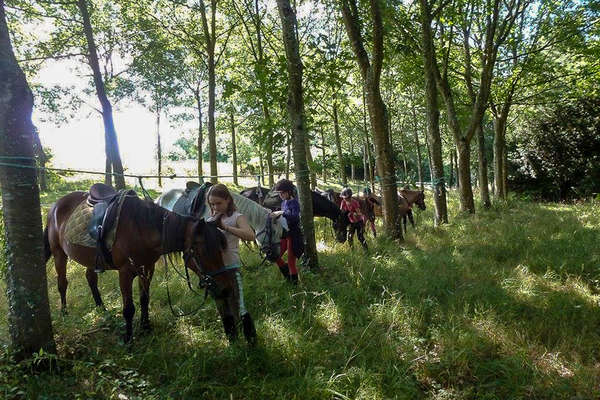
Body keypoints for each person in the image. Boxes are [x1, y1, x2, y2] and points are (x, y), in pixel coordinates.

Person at [207, 184, 255, 320]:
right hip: (215, 270)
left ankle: (247, 336)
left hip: (231, 268)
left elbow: (250, 235)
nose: (215, 207)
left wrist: (225, 227)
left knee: (238, 308)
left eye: (218, 203)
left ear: (228, 199)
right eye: (212, 204)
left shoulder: (237, 217)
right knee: (222, 307)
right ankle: (231, 336)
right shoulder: (210, 220)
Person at [271, 179, 304, 285]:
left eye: (282, 193)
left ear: (289, 192)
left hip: (293, 235)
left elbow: (295, 217)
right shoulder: (283, 203)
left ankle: (294, 284)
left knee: (291, 261)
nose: (280, 195)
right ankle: (287, 276)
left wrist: (282, 213)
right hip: (284, 234)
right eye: (279, 193)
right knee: (276, 255)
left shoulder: (294, 203)